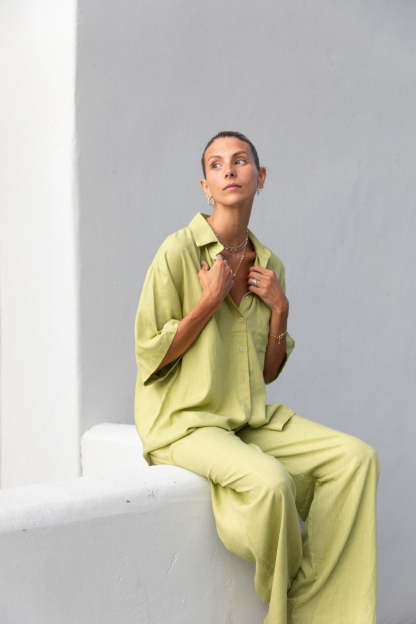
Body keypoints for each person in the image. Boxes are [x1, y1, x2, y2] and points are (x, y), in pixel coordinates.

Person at [134, 130, 381, 623]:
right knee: (272, 485)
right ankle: (289, 611)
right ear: (205, 185)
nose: (228, 170)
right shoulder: (178, 252)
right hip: (184, 423)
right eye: (216, 164)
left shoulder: (269, 267)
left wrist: (280, 310)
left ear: (260, 177)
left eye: (240, 160)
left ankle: (326, 610)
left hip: (245, 418)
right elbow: (151, 358)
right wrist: (208, 301)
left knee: (356, 460)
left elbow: (267, 372)